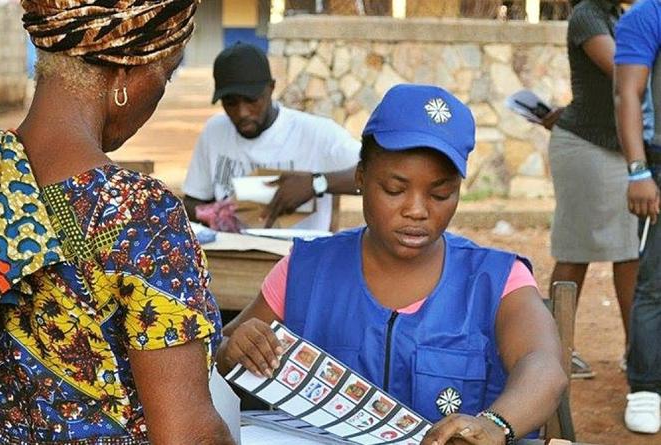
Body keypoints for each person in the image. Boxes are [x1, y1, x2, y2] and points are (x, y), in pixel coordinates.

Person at [0, 1, 235, 444]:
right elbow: (188, 434)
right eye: (164, 76)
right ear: (126, 74)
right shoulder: (140, 213)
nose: (159, 93)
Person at [217, 84, 568, 444]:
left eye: (440, 194)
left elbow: (542, 365)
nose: (417, 210)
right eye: (395, 189)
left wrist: (494, 424)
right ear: (361, 177)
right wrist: (233, 349)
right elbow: (223, 348)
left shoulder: (496, 279)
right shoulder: (307, 270)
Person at [543, 0, 640, 379]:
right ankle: (553, 347)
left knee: (630, 251)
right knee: (576, 249)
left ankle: (639, 353)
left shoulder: (619, 15)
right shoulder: (588, 15)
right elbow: (623, 73)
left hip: (618, 148)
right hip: (585, 148)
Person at [182, 42, 360, 231]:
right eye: (230, 102)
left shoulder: (316, 134)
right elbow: (193, 201)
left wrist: (316, 183)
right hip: (232, 255)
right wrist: (212, 213)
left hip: (297, 256)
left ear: (271, 88)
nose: (242, 112)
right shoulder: (214, 132)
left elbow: (375, 174)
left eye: (251, 100)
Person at [614, 0, 661, 434]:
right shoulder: (647, 15)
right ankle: (646, 387)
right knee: (655, 282)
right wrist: (639, 170)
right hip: (659, 164)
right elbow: (627, 91)